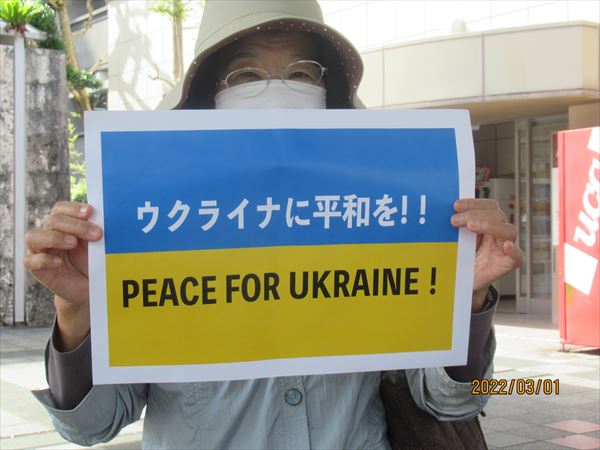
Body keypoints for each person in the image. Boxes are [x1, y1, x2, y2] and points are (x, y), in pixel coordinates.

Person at [24, 1, 522, 449]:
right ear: (208, 94)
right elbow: (90, 426)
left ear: (329, 93)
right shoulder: (153, 227)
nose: (278, 89)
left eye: (302, 72)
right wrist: (77, 313)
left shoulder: (376, 219)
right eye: (245, 74)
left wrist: (467, 298)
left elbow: (453, 399)